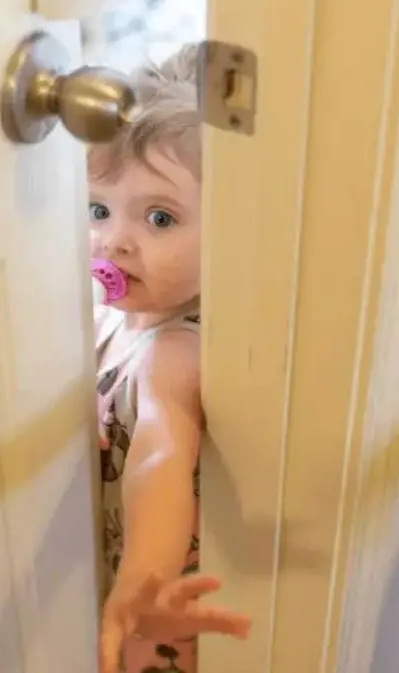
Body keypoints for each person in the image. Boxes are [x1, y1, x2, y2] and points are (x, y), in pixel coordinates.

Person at [89, 44, 251, 673]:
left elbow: (160, 449)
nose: (115, 241)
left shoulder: (177, 351)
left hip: (161, 607)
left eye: (160, 217)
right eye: (97, 208)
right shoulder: (114, 311)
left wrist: (144, 583)